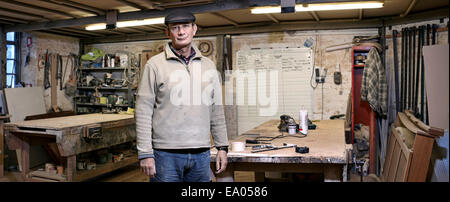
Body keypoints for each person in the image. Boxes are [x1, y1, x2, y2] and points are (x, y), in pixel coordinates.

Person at [135, 10, 229, 182]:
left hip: (201, 154)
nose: (181, 32)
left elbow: (216, 110)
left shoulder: (208, 66)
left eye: (185, 26)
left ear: (194, 29)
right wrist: (145, 153)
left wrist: (222, 146)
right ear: (167, 32)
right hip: (165, 155)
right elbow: (143, 111)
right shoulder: (154, 65)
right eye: (175, 27)